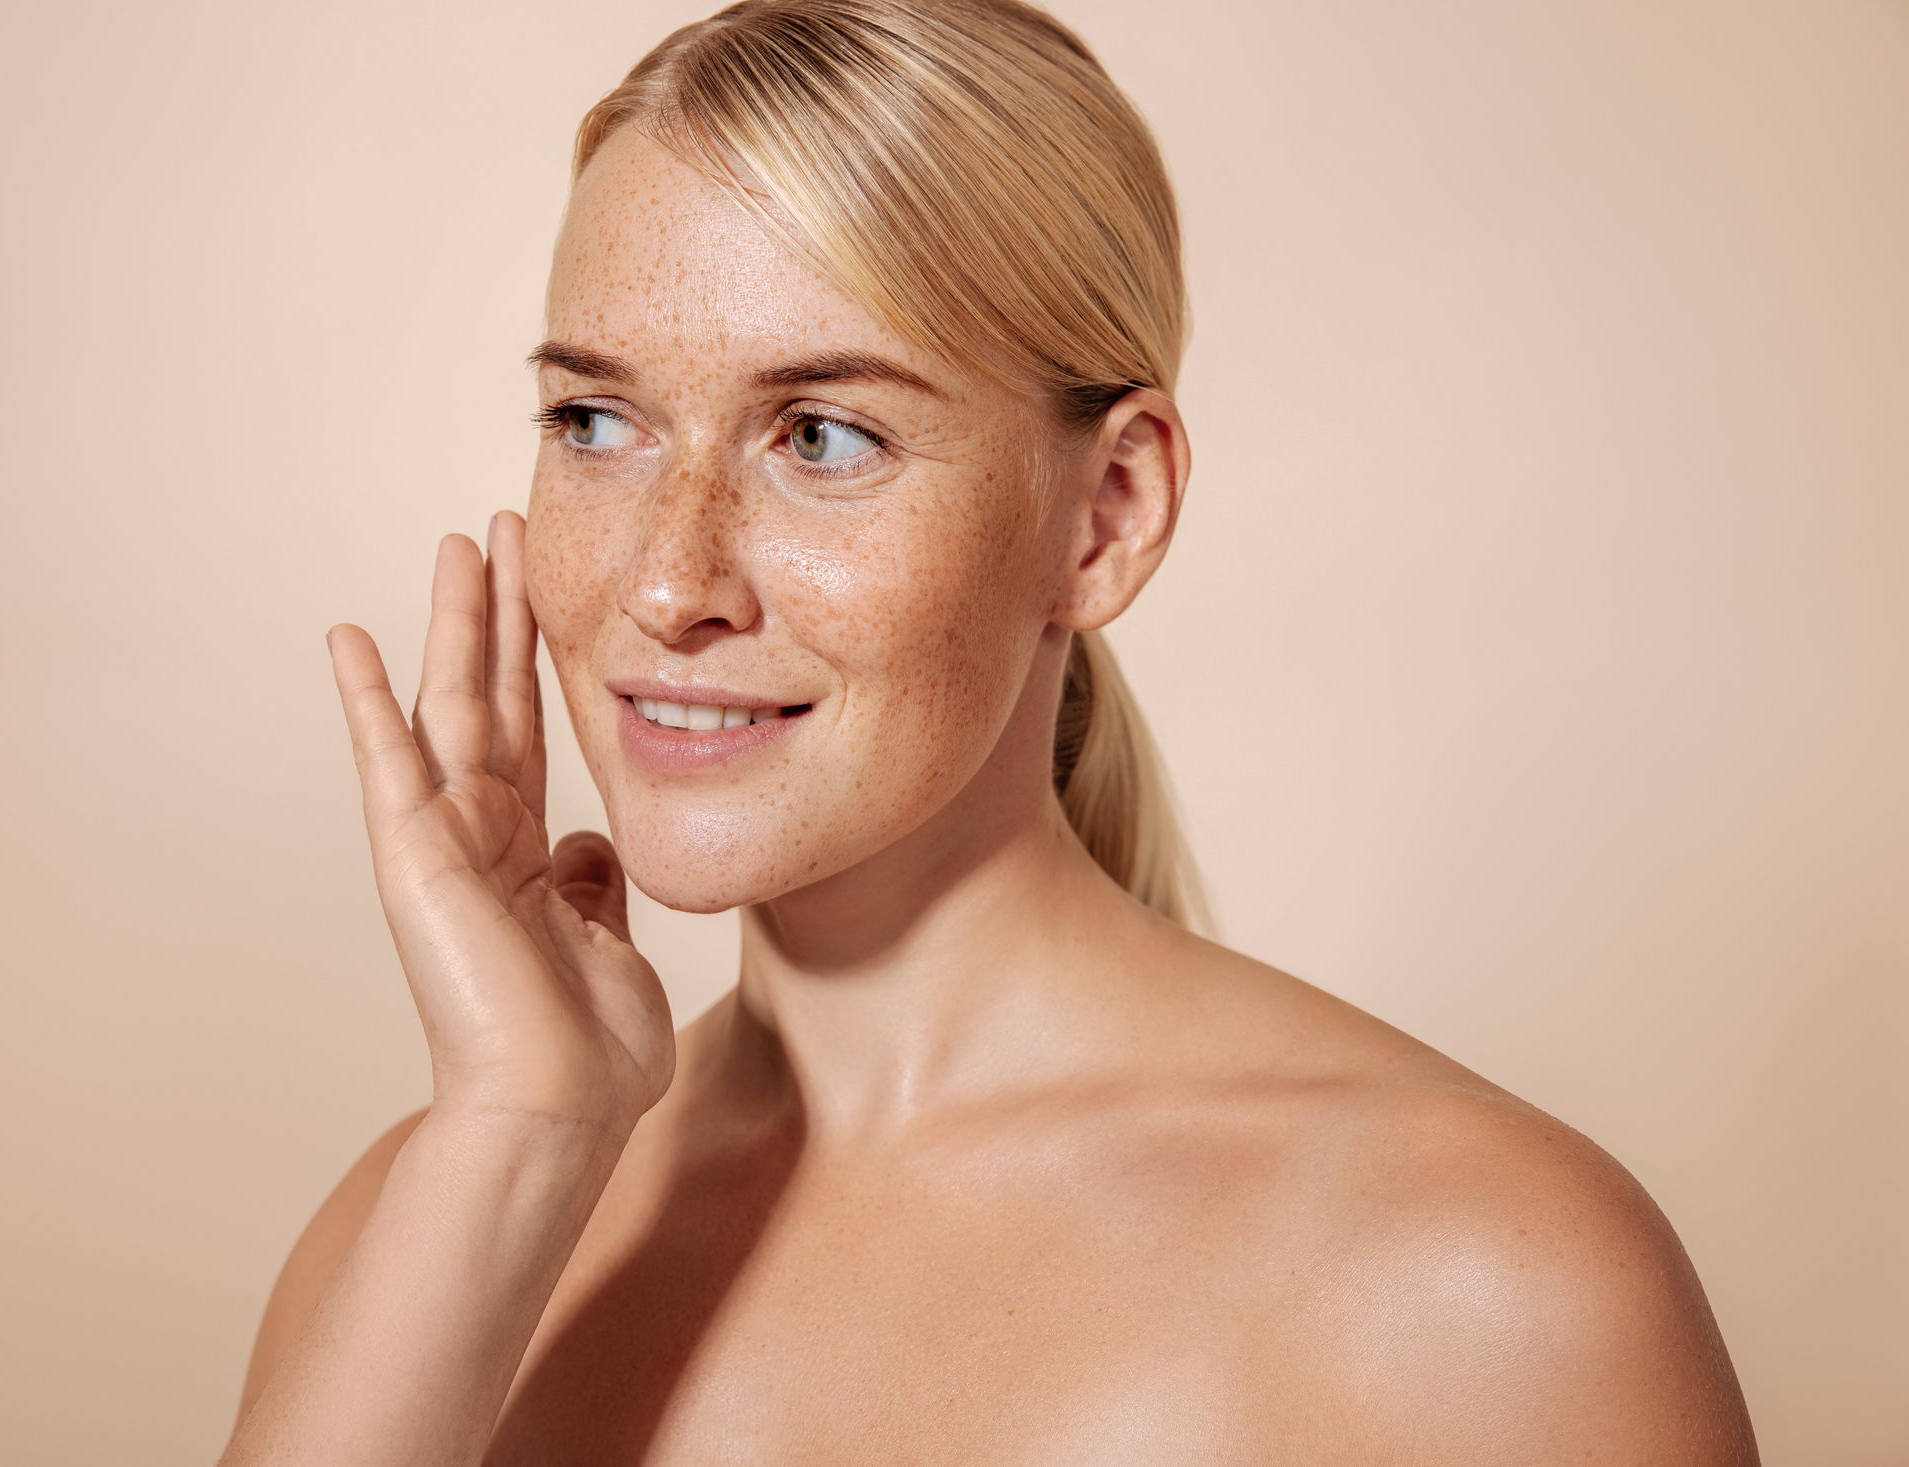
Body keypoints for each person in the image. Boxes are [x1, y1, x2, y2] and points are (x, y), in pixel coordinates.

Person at [218, 1, 1760, 1461]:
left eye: (824, 435)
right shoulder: (426, 1227)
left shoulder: (1494, 1296)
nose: (670, 579)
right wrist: (513, 1138)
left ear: (1106, 515)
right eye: (596, 424)